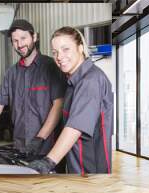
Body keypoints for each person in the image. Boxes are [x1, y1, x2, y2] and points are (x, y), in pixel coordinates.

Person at [0, 19, 65, 157]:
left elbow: (58, 105)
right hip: (20, 147)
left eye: (23, 38)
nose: (20, 44)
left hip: (48, 149)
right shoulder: (12, 73)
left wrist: (39, 138)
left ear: (34, 37)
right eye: (15, 41)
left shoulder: (51, 67)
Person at [28, 26, 114, 174]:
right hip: (76, 166)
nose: (59, 57)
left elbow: (75, 127)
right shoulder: (73, 81)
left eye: (65, 49)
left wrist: (48, 161)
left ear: (80, 48)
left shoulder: (90, 80)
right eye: (55, 52)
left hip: (91, 170)